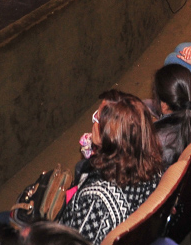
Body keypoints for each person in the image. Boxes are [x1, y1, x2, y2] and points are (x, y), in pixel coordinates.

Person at [53, 91, 162, 243]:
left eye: (97, 119)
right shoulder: (151, 164)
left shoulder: (96, 202)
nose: (93, 124)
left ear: (110, 137)